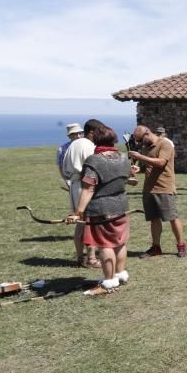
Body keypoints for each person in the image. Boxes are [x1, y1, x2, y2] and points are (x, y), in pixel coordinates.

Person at [65, 124, 131, 295]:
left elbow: (88, 189)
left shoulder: (94, 160)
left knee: (105, 245)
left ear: (96, 140)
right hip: (121, 205)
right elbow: (126, 178)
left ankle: (109, 282)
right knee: (119, 242)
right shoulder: (123, 157)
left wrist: (77, 212)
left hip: (101, 208)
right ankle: (120, 275)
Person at [129, 125, 187, 258]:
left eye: (140, 140)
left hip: (164, 188)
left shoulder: (165, 144)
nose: (139, 143)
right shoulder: (145, 147)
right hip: (149, 189)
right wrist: (139, 169)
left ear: (147, 134)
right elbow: (149, 164)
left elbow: (161, 162)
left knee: (172, 217)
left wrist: (141, 157)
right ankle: (156, 247)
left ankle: (181, 245)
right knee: (154, 219)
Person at [61, 118, 103, 268]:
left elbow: (65, 169)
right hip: (85, 185)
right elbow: (94, 167)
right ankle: (91, 258)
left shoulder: (73, 145)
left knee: (80, 223)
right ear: (91, 132)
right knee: (88, 223)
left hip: (75, 185)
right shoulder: (89, 146)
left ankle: (80, 257)